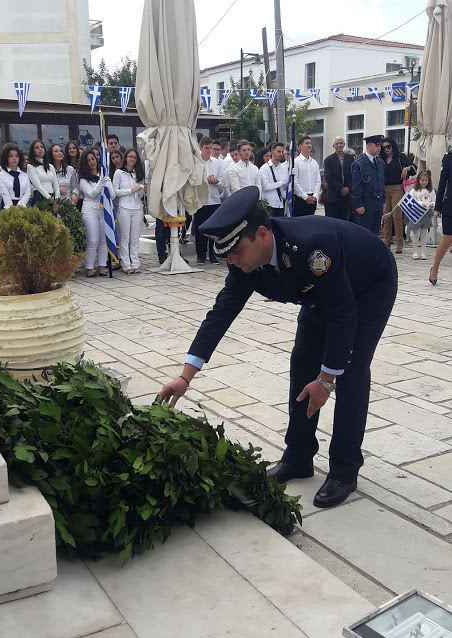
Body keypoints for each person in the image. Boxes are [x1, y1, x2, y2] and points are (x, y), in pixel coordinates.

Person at [159, 186, 397, 509]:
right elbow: (220, 315)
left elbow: (343, 313)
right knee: (302, 364)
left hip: (369, 284)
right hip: (320, 294)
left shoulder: (311, 246)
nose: (231, 260)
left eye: (236, 251)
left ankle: (345, 469)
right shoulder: (244, 263)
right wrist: (185, 377)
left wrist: (327, 380)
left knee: (350, 370)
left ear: (262, 234)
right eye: (226, 253)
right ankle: (298, 456)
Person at [78, 149, 115, 278]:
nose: (91, 162)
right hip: (90, 210)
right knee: (93, 240)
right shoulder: (83, 180)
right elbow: (91, 194)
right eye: (88, 160)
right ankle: (89, 268)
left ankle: (102, 267)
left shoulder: (103, 175)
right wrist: (100, 183)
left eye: (93, 159)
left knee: (103, 240)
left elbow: (113, 195)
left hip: (103, 210)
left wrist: (108, 183)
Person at [380, 137, 415, 254]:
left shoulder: (400, 157)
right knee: (386, 216)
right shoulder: (381, 159)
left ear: (393, 146)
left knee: (396, 215)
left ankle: (399, 243)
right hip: (384, 188)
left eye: (388, 146)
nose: (386, 149)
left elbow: (414, 168)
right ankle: (387, 241)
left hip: (397, 188)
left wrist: (407, 168)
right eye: (384, 147)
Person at [113, 148, 145, 274]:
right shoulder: (119, 173)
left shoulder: (138, 173)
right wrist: (130, 191)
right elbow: (116, 191)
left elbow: (142, 194)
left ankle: (135, 263)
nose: (132, 159)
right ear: (126, 157)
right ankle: (126, 264)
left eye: (134, 157)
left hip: (137, 207)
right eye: (130, 156)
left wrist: (140, 189)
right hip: (124, 207)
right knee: (125, 237)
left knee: (135, 238)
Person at [194, 136, 223, 264]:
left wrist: (216, 181)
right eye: (206, 148)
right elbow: (193, 179)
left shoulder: (217, 163)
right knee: (201, 228)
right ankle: (200, 255)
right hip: (201, 200)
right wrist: (206, 180)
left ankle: (212, 254)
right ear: (200, 147)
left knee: (214, 229)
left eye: (211, 148)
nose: (209, 150)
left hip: (215, 199)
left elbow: (223, 180)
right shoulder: (196, 162)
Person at [351, 135, 386, 236]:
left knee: (375, 231)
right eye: (376, 146)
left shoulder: (380, 163)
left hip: (378, 201)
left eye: (380, 146)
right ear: (369, 146)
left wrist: (383, 200)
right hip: (366, 202)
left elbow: (381, 183)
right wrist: (358, 204)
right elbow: (356, 186)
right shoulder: (359, 164)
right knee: (364, 232)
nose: (379, 148)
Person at [430, 151, 452, 285]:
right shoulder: (449, 158)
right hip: (450, 205)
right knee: (447, 239)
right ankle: (435, 269)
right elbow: (442, 182)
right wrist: (438, 207)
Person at [323, 137, 354, 221]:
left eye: (341, 143)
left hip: (347, 197)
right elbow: (329, 177)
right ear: (333, 146)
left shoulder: (350, 159)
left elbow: (353, 176)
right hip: (334, 197)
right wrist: (341, 188)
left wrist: (347, 188)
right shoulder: (328, 160)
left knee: (345, 222)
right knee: (333, 222)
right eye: (337, 143)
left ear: (344, 145)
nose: (339, 145)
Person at [408, 171, 435, 260]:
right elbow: (411, 202)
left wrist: (431, 204)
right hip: (416, 214)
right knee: (416, 234)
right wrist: (420, 203)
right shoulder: (413, 191)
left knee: (423, 234)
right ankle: (415, 252)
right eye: (422, 180)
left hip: (426, 214)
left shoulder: (431, 191)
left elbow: (434, 200)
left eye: (426, 180)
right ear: (418, 180)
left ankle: (423, 252)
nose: (424, 182)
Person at [293, 135, 321, 216]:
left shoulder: (314, 163)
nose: (309, 145)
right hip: (300, 199)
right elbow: (295, 181)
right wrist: (305, 197)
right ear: (300, 146)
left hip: (312, 198)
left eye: (310, 143)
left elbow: (317, 180)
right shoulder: (296, 162)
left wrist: (315, 195)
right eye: (307, 143)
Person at [0, 143, 32, 209]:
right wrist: (11, 208)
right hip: (7, 207)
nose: (14, 158)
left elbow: (27, 193)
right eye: (11, 156)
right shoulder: (1, 176)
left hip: (22, 207)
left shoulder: (25, 176)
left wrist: (19, 206)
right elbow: (4, 194)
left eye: (16, 156)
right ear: (6, 158)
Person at [259, 142, 288, 217]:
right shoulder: (264, 168)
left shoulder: (283, 168)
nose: (281, 154)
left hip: (280, 204)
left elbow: (284, 188)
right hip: (269, 204)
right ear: (272, 152)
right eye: (278, 151)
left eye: (282, 152)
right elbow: (266, 186)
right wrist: (281, 183)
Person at [27, 139, 59, 205]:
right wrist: (50, 199)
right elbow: (38, 186)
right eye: (37, 148)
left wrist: (57, 200)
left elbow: (56, 186)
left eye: (42, 147)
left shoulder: (50, 166)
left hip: (52, 197)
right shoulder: (31, 166)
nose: (40, 149)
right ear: (33, 152)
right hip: (39, 197)